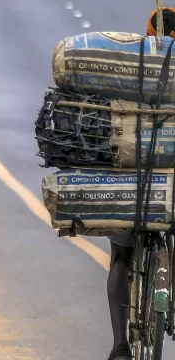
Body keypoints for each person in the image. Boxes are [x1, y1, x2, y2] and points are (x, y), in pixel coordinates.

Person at [106, 9, 175, 359]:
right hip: (166, 190)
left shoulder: (131, 71)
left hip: (136, 185)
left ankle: (120, 344)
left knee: (121, 256)